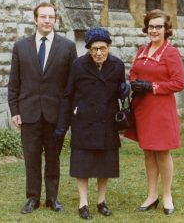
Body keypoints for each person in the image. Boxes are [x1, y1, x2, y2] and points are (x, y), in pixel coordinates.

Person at [8, 2, 77, 214]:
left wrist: (68, 115)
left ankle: (53, 198)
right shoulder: (21, 47)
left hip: (55, 115)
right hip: (28, 114)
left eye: (51, 17)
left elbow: (71, 85)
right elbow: (14, 83)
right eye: (43, 17)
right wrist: (15, 111)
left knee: (53, 159)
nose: (47, 21)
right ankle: (33, 198)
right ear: (35, 19)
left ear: (55, 20)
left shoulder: (67, 47)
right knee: (32, 158)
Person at [54, 27, 130, 220]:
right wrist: (63, 124)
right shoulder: (78, 65)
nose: (98, 53)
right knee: (83, 164)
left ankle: (101, 201)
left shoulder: (117, 65)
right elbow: (68, 95)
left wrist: (124, 90)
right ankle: (83, 202)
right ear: (88, 49)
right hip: (83, 122)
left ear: (109, 47)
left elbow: (119, 92)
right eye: (94, 48)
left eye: (103, 48)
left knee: (105, 164)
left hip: (107, 122)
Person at [124, 9, 184, 215]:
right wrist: (134, 82)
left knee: (162, 151)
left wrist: (152, 86)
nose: (154, 30)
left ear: (166, 29)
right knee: (148, 151)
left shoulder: (171, 53)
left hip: (161, 109)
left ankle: (166, 194)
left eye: (158, 26)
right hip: (143, 108)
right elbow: (133, 71)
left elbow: (178, 83)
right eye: (151, 26)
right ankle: (151, 195)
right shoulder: (142, 50)